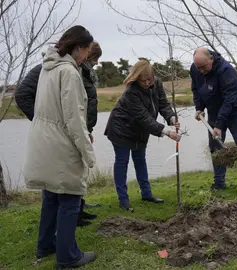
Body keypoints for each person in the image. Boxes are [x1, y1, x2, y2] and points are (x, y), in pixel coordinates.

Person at [22, 25, 97, 269]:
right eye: (86, 51)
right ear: (78, 48)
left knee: (52, 196)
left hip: (43, 140)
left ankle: (45, 245)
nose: (87, 57)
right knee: (70, 198)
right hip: (61, 142)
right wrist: (88, 154)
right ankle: (68, 256)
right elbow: (74, 119)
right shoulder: (69, 72)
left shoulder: (48, 67)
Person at [15, 41, 103, 227]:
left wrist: (88, 130)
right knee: (61, 182)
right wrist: (45, 121)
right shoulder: (51, 70)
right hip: (63, 135)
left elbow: (83, 104)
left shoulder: (81, 71)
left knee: (75, 176)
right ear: (82, 52)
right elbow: (23, 95)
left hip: (80, 130)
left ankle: (79, 209)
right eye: (92, 58)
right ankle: (69, 226)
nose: (93, 63)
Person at [104, 60, 181, 212]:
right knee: (122, 162)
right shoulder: (131, 92)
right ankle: (123, 200)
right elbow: (144, 118)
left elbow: (163, 104)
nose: (147, 83)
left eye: (149, 80)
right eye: (143, 81)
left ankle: (146, 194)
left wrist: (171, 118)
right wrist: (167, 132)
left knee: (140, 160)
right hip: (121, 128)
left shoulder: (156, 83)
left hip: (139, 129)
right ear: (136, 79)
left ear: (153, 76)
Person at [190, 47, 237, 195]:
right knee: (215, 146)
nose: (201, 71)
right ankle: (219, 183)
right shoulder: (195, 69)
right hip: (213, 110)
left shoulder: (226, 70)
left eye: (203, 67)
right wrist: (199, 108)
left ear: (211, 58)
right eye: (198, 67)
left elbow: (230, 98)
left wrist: (219, 124)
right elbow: (196, 89)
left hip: (236, 109)